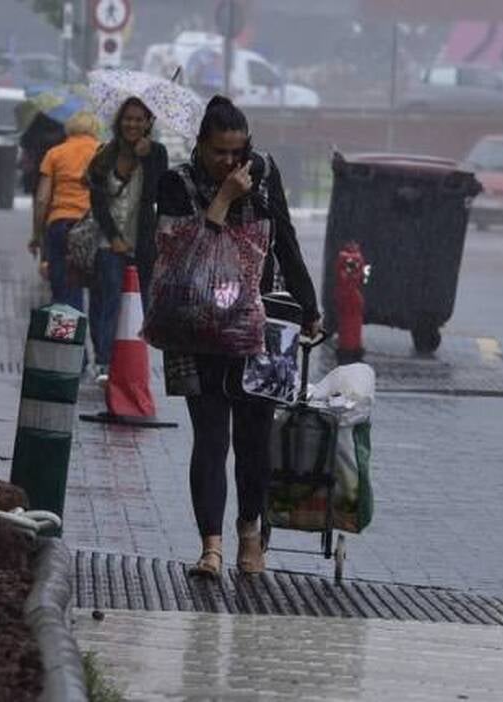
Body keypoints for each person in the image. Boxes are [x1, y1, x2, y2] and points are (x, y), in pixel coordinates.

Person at [152, 96, 320, 577]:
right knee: (209, 437)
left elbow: (284, 238)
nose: (230, 161)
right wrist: (223, 198)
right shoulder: (177, 184)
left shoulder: (263, 175)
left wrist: (308, 305)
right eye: (219, 151)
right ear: (200, 144)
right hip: (194, 327)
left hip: (260, 327)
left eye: (237, 150)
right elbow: (180, 256)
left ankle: (251, 533)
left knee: (254, 437)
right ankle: (211, 547)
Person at [85, 97, 169, 381]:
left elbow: (160, 194)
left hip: (142, 245)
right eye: (128, 118)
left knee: (138, 306)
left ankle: (131, 363)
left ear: (148, 124)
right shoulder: (105, 154)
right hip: (109, 244)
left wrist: (147, 157)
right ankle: (104, 363)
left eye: (139, 119)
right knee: (107, 302)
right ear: (120, 121)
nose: (132, 124)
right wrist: (113, 237)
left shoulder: (157, 153)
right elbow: (97, 202)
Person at [29, 111, 101, 311]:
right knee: (84, 284)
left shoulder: (55, 153)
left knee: (61, 287)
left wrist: (36, 234)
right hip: (89, 228)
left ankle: (64, 335)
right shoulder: (101, 153)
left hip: (59, 224)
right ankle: (79, 334)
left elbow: (42, 199)